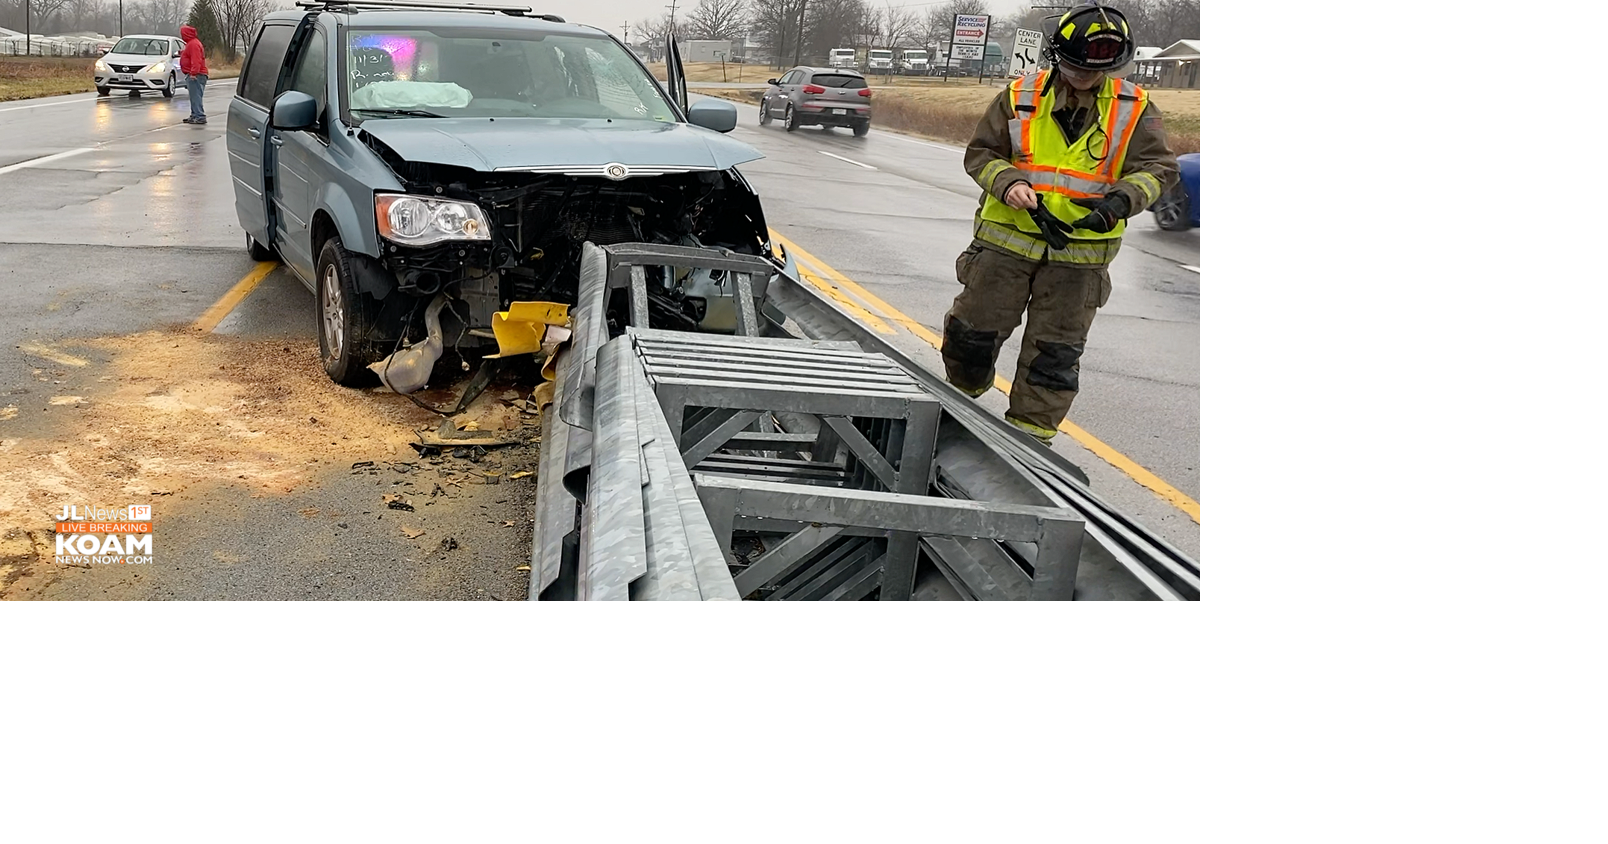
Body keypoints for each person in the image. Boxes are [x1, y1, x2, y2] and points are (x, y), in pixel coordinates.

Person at [939, 2, 1179, 445]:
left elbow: (1158, 169)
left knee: (1054, 359)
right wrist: (1008, 183)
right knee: (969, 337)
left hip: (1079, 258)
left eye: (1092, 72)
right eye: (1074, 67)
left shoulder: (1135, 108)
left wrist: (1120, 201)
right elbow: (981, 153)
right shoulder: (1018, 96)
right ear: (1057, 56)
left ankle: (1030, 447)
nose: (1082, 77)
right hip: (1004, 246)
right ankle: (961, 406)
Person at [179, 24, 209, 124]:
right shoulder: (191, 44)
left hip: (197, 74)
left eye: (182, 34)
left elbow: (196, 60)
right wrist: (182, 53)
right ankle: (194, 115)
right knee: (194, 96)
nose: (181, 36)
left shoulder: (193, 44)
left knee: (196, 96)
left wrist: (193, 73)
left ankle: (200, 116)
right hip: (196, 73)